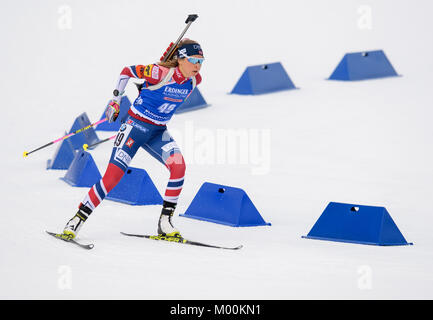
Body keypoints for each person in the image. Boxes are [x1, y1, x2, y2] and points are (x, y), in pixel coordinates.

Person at [62, 39, 204, 239]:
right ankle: (76, 219)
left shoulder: (194, 81)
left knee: (178, 166)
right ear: (180, 59)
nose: (197, 66)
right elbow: (126, 71)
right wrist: (116, 100)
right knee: (112, 178)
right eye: (193, 60)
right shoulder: (159, 73)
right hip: (134, 127)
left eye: (201, 61)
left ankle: (165, 222)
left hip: (157, 132)